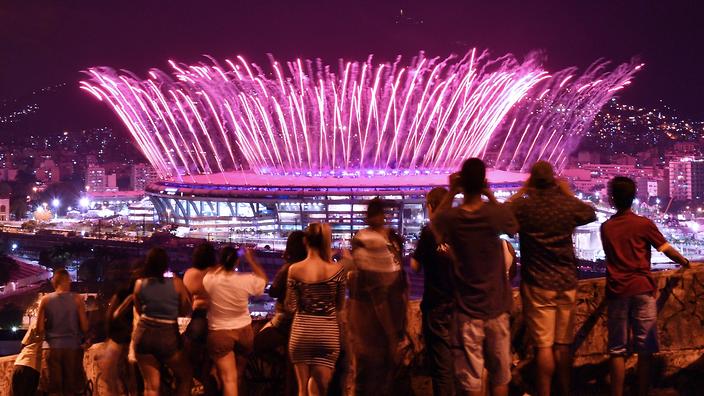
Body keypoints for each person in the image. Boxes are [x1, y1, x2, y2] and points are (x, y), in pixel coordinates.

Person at [507, 161, 596, 396]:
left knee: (544, 346)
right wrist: (565, 193)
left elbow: (504, 217)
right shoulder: (566, 205)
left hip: (538, 284)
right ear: (554, 181)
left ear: (532, 181)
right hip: (566, 282)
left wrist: (523, 192)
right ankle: (565, 391)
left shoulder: (525, 208)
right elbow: (589, 213)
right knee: (563, 345)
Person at [432, 158, 519, 396]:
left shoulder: (454, 218)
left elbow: (435, 222)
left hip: (467, 311)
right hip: (497, 308)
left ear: (462, 182)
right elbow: (512, 225)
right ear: (482, 181)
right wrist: (489, 194)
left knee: (471, 380)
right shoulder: (493, 214)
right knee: (500, 376)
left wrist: (451, 192)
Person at [601, 177, 690, 396]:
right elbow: (666, 249)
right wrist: (684, 262)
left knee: (617, 349)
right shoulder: (643, 224)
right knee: (645, 348)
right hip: (642, 289)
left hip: (617, 291)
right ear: (633, 198)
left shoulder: (606, 228)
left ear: (612, 199)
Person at [347, 197, 409, 395]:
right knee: (374, 376)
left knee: (375, 376)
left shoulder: (381, 239)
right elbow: (378, 294)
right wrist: (392, 331)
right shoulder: (370, 242)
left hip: (381, 321)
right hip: (374, 324)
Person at [286, 223, 346, 396]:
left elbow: (291, 306)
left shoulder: (294, 270)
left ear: (305, 241)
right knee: (321, 388)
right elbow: (340, 306)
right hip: (327, 335)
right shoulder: (337, 270)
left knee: (302, 389)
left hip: (302, 333)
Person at [203, 246, 267, 396]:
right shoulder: (245, 280)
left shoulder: (210, 280)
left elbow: (214, 272)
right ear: (236, 262)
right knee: (238, 376)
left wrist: (223, 263)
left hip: (220, 333)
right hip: (244, 332)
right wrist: (251, 259)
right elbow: (263, 280)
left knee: (229, 380)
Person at [410, 187, 455, 396]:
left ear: (430, 206)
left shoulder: (430, 231)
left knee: (440, 364)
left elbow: (415, 266)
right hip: (458, 304)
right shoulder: (458, 229)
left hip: (436, 303)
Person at [133, 248, 193, 396]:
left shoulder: (140, 284)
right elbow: (186, 310)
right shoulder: (177, 284)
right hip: (167, 336)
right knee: (185, 377)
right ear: (166, 264)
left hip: (143, 335)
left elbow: (140, 310)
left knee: (150, 386)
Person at [36, 268, 89, 396]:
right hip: (72, 348)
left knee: (54, 389)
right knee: (71, 388)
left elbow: (39, 329)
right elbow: (85, 327)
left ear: (55, 281)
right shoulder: (77, 299)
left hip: (51, 348)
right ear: (66, 281)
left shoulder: (45, 300)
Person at [99, 259, 144, 396]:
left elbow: (110, 315)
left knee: (111, 377)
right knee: (134, 380)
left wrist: (109, 335)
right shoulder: (145, 295)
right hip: (134, 339)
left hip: (119, 339)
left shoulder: (123, 293)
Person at [184, 242, 218, 394]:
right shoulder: (219, 273)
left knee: (188, 354)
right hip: (220, 317)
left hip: (201, 316)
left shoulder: (191, 274)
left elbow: (186, 301)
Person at [11, 323, 43, 396]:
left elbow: (23, 344)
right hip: (35, 368)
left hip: (20, 363)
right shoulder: (57, 328)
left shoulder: (36, 324)